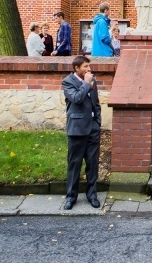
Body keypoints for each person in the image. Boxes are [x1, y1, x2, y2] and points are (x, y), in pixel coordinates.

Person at [62, 55, 101, 209]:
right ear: (76, 68)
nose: (88, 69)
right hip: (77, 129)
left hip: (92, 128)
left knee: (92, 163)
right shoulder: (68, 82)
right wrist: (86, 83)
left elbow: (95, 103)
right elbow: (76, 99)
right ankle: (71, 197)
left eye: (89, 66)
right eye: (85, 67)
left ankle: (92, 195)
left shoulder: (92, 81)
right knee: (74, 164)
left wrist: (97, 122)